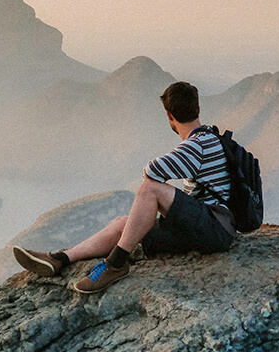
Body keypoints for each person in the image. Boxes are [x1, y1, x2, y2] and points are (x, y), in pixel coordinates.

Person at [13, 81, 236, 294]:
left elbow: (151, 172)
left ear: (169, 115)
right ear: (197, 108)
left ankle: (115, 264)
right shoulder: (207, 139)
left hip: (214, 229)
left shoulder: (199, 144)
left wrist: (158, 198)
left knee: (150, 188)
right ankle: (60, 259)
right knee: (124, 224)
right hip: (203, 229)